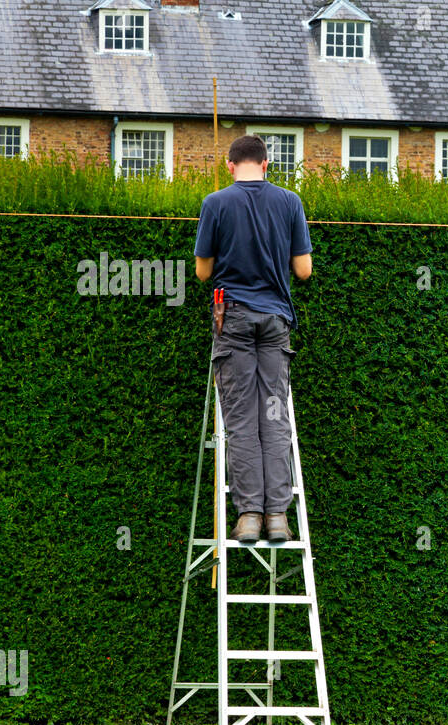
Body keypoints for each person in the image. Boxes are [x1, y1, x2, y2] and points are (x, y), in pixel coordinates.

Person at [194, 135, 313, 543]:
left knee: (242, 418)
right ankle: (278, 516)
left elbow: (203, 273)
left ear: (230, 165)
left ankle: (248, 516)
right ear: (266, 164)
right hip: (276, 319)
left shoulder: (215, 204)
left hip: (234, 319)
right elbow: (304, 271)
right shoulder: (290, 202)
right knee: (275, 415)